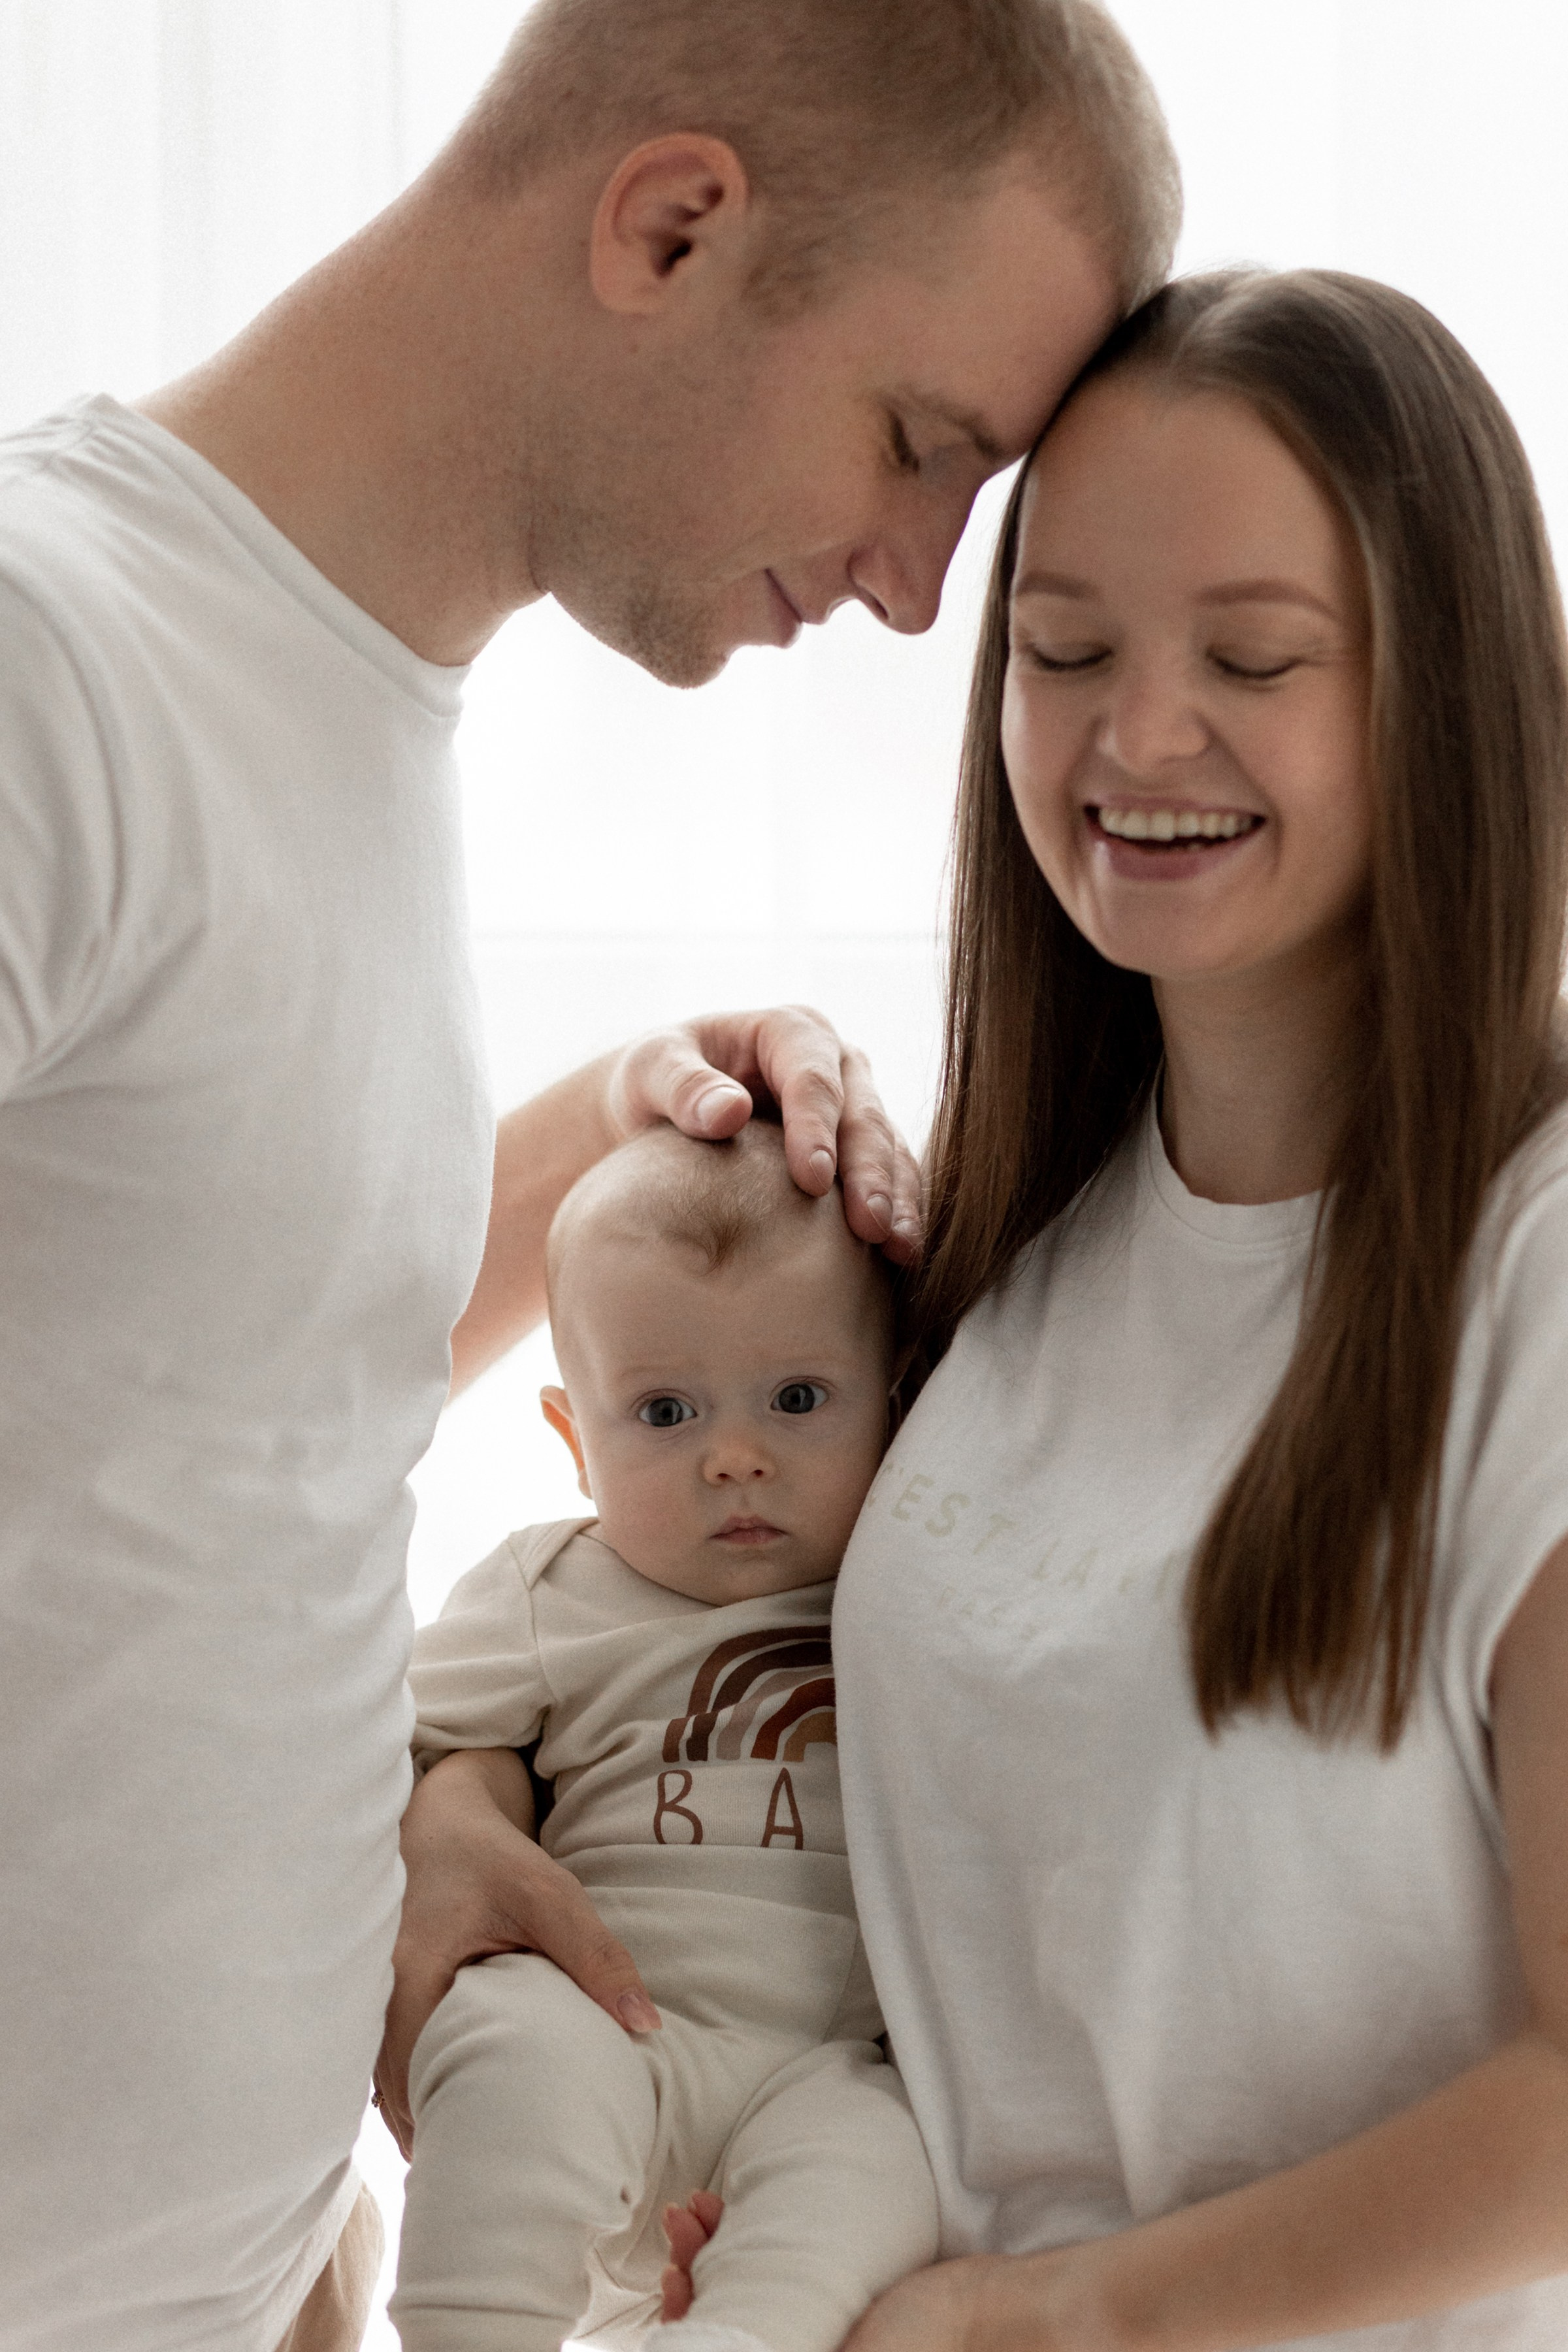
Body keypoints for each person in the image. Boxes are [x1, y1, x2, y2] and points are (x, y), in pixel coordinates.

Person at [0, 3, 1177, 2345]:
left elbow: (191, 1400)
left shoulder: (337, 718)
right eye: (926, 448)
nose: (923, 589)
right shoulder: (60, 669)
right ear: (672, 225)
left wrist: (621, 1132)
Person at [414, 269, 1568, 2349]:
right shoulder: (1016, 1240)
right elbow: (679, 1630)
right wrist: (455, 1812)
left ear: (1446, 690)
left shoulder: (1536, 1275)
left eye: (1254, 655)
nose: (1137, 733)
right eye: (1064, 651)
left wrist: (1053, 2317)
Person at [391, 1120, 936, 2352]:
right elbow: (399, 1747)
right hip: (612, 2027)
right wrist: (448, 1799)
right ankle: (474, 2328)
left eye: (798, 1400)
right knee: (505, 2033)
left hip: (824, 2073)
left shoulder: (911, 1586)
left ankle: (735, 2336)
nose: (735, 1458)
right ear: (575, 1444)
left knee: (893, 2159)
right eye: (665, 1412)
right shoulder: (552, 1591)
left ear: (895, 1402)